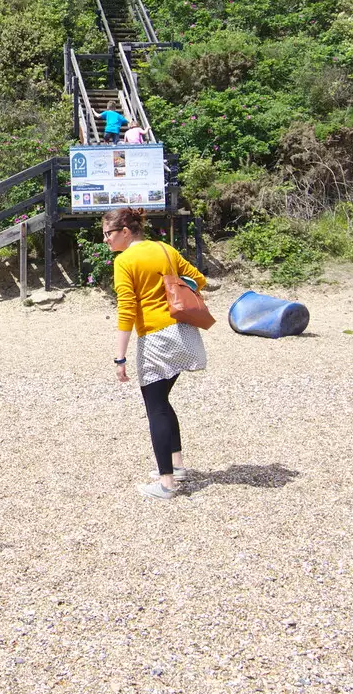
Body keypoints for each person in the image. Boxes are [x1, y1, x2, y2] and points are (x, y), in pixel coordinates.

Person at [101, 206, 208, 500]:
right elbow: (199, 279)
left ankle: (167, 484)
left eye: (108, 234)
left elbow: (127, 310)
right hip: (184, 333)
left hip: (157, 339)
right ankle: (177, 465)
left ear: (125, 232)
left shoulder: (125, 261)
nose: (106, 241)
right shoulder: (164, 248)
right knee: (162, 400)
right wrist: (169, 290)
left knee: (156, 407)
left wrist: (120, 358)